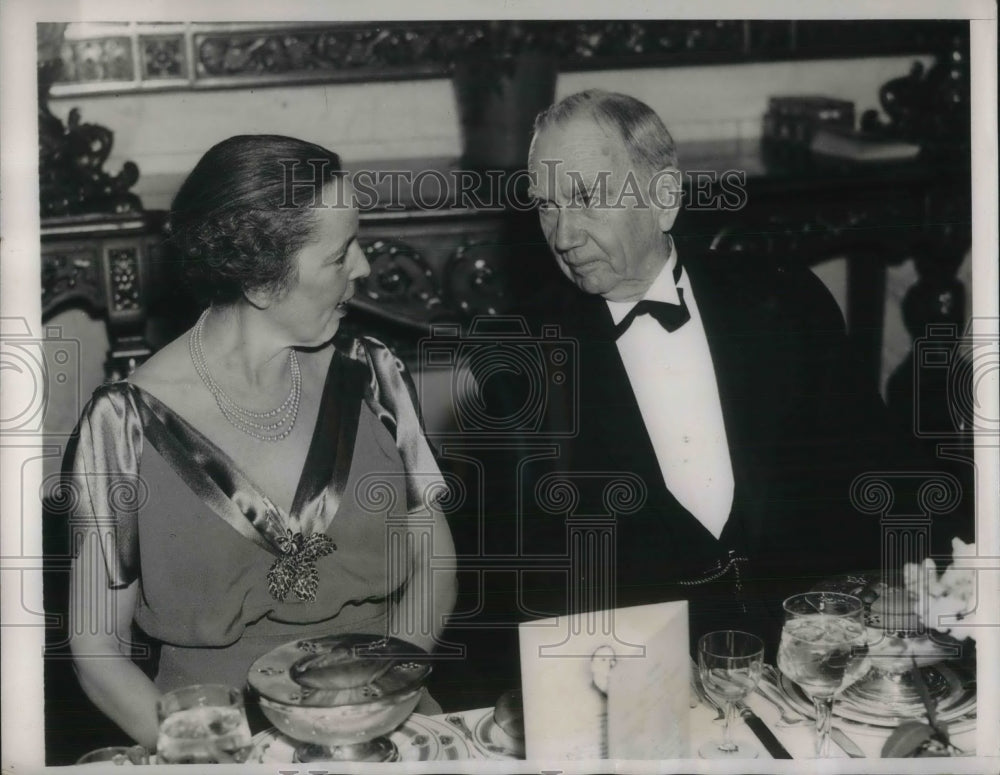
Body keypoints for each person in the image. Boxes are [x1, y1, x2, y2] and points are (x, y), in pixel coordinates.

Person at [463, 90, 950, 684]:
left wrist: (913, 593)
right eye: (545, 206)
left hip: (816, 663)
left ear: (664, 198)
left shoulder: (785, 302)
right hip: (648, 696)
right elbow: (510, 599)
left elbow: (883, 475)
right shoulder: (521, 374)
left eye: (587, 199)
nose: (563, 235)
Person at [65, 135, 456, 749]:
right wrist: (214, 753)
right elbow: (97, 651)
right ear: (262, 283)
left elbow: (434, 562)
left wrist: (374, 697)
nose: (363, 268)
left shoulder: (374, 374)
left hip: (386, 725)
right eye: (339, 254)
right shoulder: (121, 426)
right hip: (215, 738)